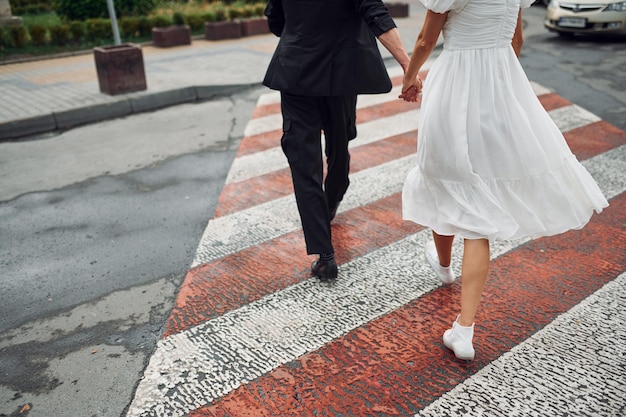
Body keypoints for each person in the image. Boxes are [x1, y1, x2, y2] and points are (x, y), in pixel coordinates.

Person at [399, 0, 608, 360]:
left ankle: (447, 270)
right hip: (499, 88)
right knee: (472, 198)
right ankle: (462, 328)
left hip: (455, 86)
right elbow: (517, 41)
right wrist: (500, 89)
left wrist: (409, 78)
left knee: (442, 178)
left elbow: (424, 41)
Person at [263, 0, 411, 281]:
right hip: (341, 71)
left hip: (297, 70)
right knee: (339, 145)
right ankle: (330, 202)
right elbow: (376, 15)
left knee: (303, 162)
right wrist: (407, 64)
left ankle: (325, 255)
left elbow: (276, 22)